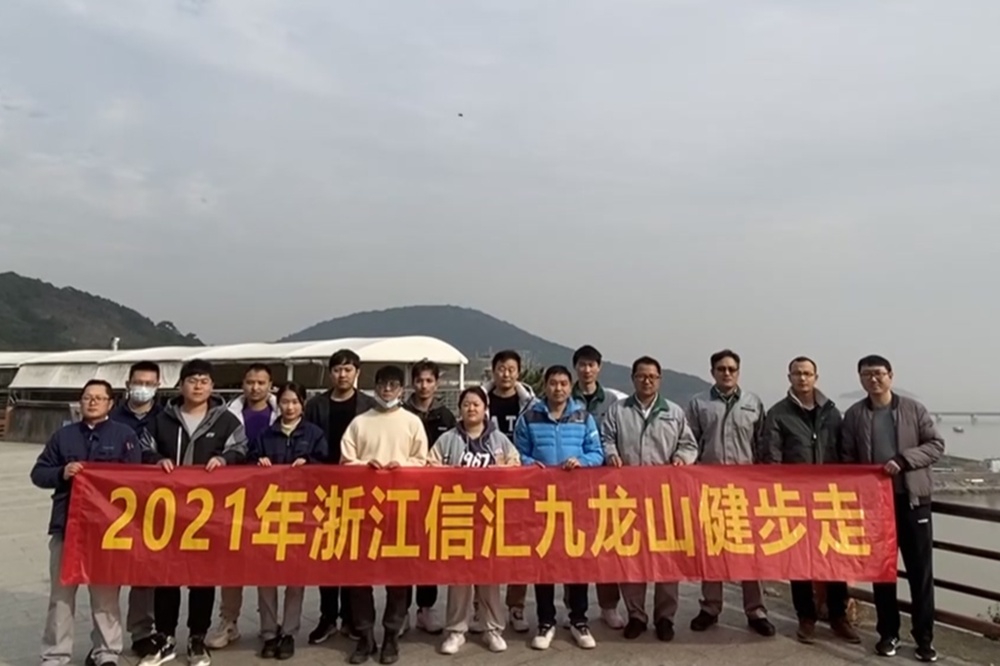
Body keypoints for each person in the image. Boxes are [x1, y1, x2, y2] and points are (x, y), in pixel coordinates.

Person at [138, 360, 248, 666]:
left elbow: (241, 449)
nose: (198, 386)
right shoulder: (161, 419)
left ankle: (197, 638)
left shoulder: (226, 421)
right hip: (168, 512)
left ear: (212, 386)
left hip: (208, 515)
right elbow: (143, 448)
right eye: (192, 380)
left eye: (204, 381)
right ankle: (165, 637)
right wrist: (157, 460)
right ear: (180, 385)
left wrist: (225, 459)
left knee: (202, 577)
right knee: (166, 576)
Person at [840, 355, 944, 662]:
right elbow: (847, 458)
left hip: (913, 503)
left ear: (890, 375)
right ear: (860, 379)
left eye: (878, 373)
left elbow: (936, 445)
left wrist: (903, 460)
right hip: (876, 508)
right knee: (883, 573)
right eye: (866, 375)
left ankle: (924, 639)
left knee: (920, 573)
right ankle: (888, 634)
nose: (873, 379)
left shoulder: (913, 409)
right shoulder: (855, 415)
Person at [31, 379, 141, 666]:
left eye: (99, 398)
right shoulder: (63, 436)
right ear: (80, 402)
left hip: (108, 531)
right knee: (61, 596)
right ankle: (55, 655)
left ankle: (107, 653)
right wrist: (62, 472)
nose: (92, 402)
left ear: (110, 403)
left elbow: (138, 479)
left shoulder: (124, 436)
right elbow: (38, 473)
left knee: (105, 595)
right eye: (87, 397)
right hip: (68, 527)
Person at [762, 356, 860, 645]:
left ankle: (838, 616)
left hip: (830, 498)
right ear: (789, 377)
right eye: (797, 373)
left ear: (816, 377)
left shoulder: (832, 413)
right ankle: (806, 616)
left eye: (807, 373)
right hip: (794, 499)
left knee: (835, 557)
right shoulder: (778, 414)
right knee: (799, 560)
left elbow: (845, 453)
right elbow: (771, 458)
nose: (802, 378)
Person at [603, 356, 698, 643]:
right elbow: (606, 438)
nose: (647, 381)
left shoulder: (673, 412)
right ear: (633, 378)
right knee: (632, 557)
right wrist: (611, 454)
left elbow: (689, 444)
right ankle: (636, 615)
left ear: (660, 380)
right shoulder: (618, 410)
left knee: (668, 559)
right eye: (641, 376)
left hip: (664, 499)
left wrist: (681, 458)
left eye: (652, 377)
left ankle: (665, 617)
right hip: (628, 498)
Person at [341, 365, 429, 665]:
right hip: (362, 511)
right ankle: (365, 635)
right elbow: (345, 461)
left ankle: (392, 634)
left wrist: (401, 467)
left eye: (393, 385)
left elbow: (422, 461)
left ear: (402, 389)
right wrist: (365, 467)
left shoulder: (412, 422)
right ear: (375, 386)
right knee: (358, 577)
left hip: (400, 510)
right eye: (382, 384)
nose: (387, 390)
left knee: (398, 577)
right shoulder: (359, 422)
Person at [513, 365, 604, 651]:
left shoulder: (584, 417)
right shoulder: (530, 417)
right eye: (553, 383)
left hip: (576, 501)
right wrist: (532, 465)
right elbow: (518, 453)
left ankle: (579, 620)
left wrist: (582, 462)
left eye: (564, 383)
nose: (559, 388)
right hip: (541, 500)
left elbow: (597, 453)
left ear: (570, 386)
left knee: (577, 561)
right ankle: (545, 621)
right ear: (545, 385)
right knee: (545, 560)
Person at [684, 349, 775, 637]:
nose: (727, 373)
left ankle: (756, 610)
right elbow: (689, 443)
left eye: (732, 369)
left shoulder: (753, 403)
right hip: (709, 487)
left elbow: (762, 444)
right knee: (712, 548)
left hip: (745, 489)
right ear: (712, 372)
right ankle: (710, 607)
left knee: (750, 550)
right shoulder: (699, 403)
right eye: (721, 369)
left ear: (738, 371)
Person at [429, 386, 520, 655]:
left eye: (476, 404)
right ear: (460, 409)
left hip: (490, 517)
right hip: (458, 515)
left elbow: (516, 465)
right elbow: (429, 466)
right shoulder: (448, 439)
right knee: (459, 577)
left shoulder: (499, 439)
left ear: (485, 408)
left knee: (490, 576)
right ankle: (456, 630)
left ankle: (492, 628)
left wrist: (500, 469)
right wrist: (451, 472)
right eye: (466, 404)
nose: (471, 409)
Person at [247, 382, 328, 660]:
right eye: (284, 402)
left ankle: (289, 632)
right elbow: (247, 467)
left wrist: (310, 465)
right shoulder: (265, 434)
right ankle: (269, 632)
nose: (289, 407)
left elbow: (327, 469)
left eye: (295, 402)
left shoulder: (314, 434)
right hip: (269, 514)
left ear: (303, 404)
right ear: (277, 404)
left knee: (295, 576)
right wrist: (258, 464)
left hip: (301, 515)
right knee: (266, 576)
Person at [303, 349, 377, 645]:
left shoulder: (369, 406)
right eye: (337, 370)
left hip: (359, 491)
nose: (342, 375)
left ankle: (351, 616)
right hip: (324, 490)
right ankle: (327, 617)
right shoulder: (316, 406)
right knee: (327, 554)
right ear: (330, 373)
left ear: (357, 372)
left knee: (355, 555)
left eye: (348, 369)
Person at [207, 363, 278, 650]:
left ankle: (269, 626)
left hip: (271, 497)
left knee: (267, 561)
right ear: (242, 384)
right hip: (233, 496)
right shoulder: (226, 415)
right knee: (232, 561)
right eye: (250, 382)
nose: (255, 387)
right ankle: (228, 621)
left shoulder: (282, 411)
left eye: (261, 382)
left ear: (270, 385)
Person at [569, 344, 628, 630]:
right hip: (572, 482)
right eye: (582, 364)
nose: (587, 369)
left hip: (606, 483)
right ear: (575, 367)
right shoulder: (565, 397)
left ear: (599, 368)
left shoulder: (614, 401)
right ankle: (573, 608)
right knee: (572, 545)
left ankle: (608, 606)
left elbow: (616, 436)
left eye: (592, 364)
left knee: (606, 543)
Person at [479, 349, 536, 633]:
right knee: (483, 546)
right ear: (493, 371)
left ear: (519, 372)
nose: (506, 374)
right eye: (501, 368)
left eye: (511, 369)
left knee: (519, 546)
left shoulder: (531, 405)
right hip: (484, 484)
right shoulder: (480, 400)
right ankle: (482, 607)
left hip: (519, 482)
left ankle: (516, 605)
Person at [108, 361, 163, 658]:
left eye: (149, 383)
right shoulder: (110, 417)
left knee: (145, 572)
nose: (143, 387)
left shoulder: (165, 418)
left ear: (158, 385)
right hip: (111, 506)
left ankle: (142, 631)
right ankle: (106, 641)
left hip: (152, 505)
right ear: (128, 384)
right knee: (109, 574)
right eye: (138, 382)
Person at [402, 360, 457, 635]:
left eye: (429, 381)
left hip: (435, 494)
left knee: (429, 551)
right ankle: (400, 610)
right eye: (419, 380)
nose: (424, 386)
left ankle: (426, 608)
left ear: (437, 383)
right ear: (413, 382)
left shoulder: (446, 417)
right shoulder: (401, 413)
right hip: (403, 492)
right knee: (402, 551)